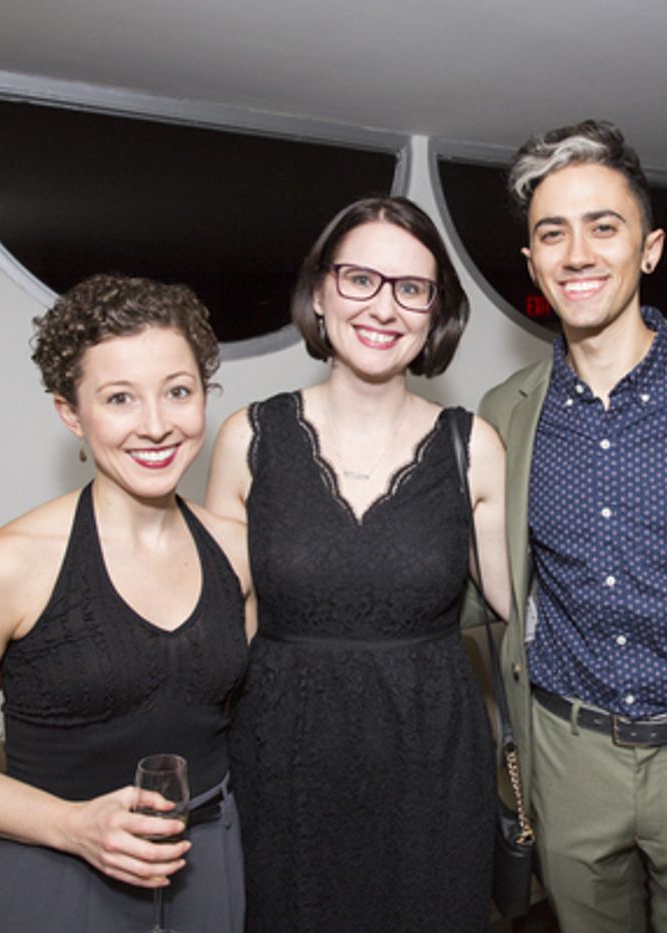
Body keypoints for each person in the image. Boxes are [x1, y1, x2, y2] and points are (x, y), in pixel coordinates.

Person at [473, 119, 667, 931]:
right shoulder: (503, 415)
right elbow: (483, 577)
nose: (577, 252)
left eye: (603, 227)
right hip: (568, 752)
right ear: (533, 261)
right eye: (553, 233)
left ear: (648, 249)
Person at [0, 274, 252, 932]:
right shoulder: (6, 563)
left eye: (179, 391)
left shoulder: (237, 550)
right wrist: (72, 825)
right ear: (70, 412)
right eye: (119, 398)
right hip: (58, 871)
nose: (157, 424)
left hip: (209, 858)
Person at [205, 196, 510, 932]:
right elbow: (216, 619)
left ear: (436, 313)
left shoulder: (475, 447)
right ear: (319, 291)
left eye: (412, 288)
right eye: (360, 279)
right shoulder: (250, 437)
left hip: (431, 768)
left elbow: (519, 608)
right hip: (283, 766)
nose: (385, 306)